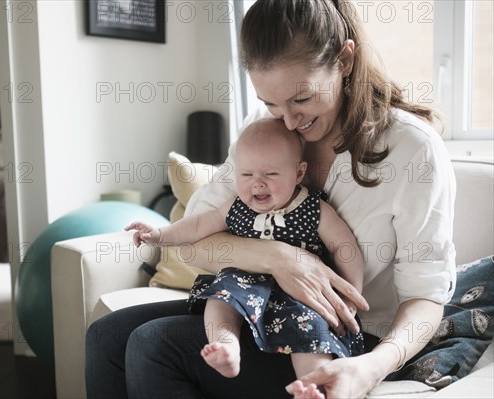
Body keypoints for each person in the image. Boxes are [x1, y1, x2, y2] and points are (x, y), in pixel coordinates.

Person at [85, 1, 457, 398]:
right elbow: (192, 245)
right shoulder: (263, 133)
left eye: (301, 100)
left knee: (155, 344)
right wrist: (281, 260)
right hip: (258, 306)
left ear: (345, 60)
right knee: (106, 335)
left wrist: (369, 367)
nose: (290, 122)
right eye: (270, 103)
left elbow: (426, 296)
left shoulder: (412, 149)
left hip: (343, 334)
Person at [125, 119, 365, 398]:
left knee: (310, 333)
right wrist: (159, 234)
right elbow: (197, 226)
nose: (258, 184)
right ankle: (227, 346)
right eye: (247, 174)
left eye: (271, 174)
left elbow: (344, 247)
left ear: (299, 173)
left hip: (300, 294)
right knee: (220, 298)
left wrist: (350, 297)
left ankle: (314, 386)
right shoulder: (236, 207)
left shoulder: (314, 209)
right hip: (245, 283)